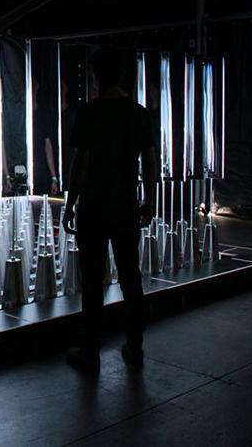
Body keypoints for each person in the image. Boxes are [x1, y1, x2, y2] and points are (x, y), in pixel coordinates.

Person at [62, 47, 157, 373]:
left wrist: (70, 204)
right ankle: (136, 345)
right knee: (132, 277)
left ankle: (90, 351)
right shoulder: (138, 113)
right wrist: (150, 199)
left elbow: (79, 164)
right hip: (125, 205)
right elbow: (149, 161)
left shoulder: (88, 113)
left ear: (96, 76)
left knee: (92, 281)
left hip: (93, 206)